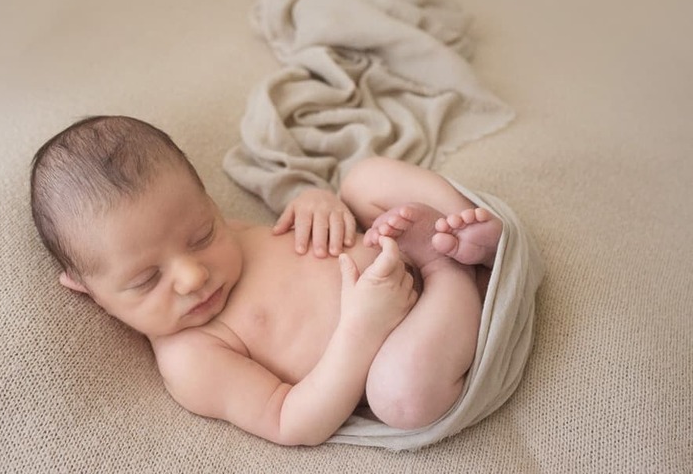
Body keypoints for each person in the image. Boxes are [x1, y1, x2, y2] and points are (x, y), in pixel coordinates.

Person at [30, 115, 503, 446]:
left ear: (208, 204)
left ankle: (463, 228)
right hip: (408, 340)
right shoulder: (191, 359)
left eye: (201, 235)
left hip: (395, 241)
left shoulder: (213, 231)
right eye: (146, 279)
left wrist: (319, 204)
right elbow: (291, 421)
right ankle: (450, 272)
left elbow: (294, 231)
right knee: (401, 398)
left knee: (362, 177)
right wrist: (364, 329)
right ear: (86, 288)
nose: (194, 274)